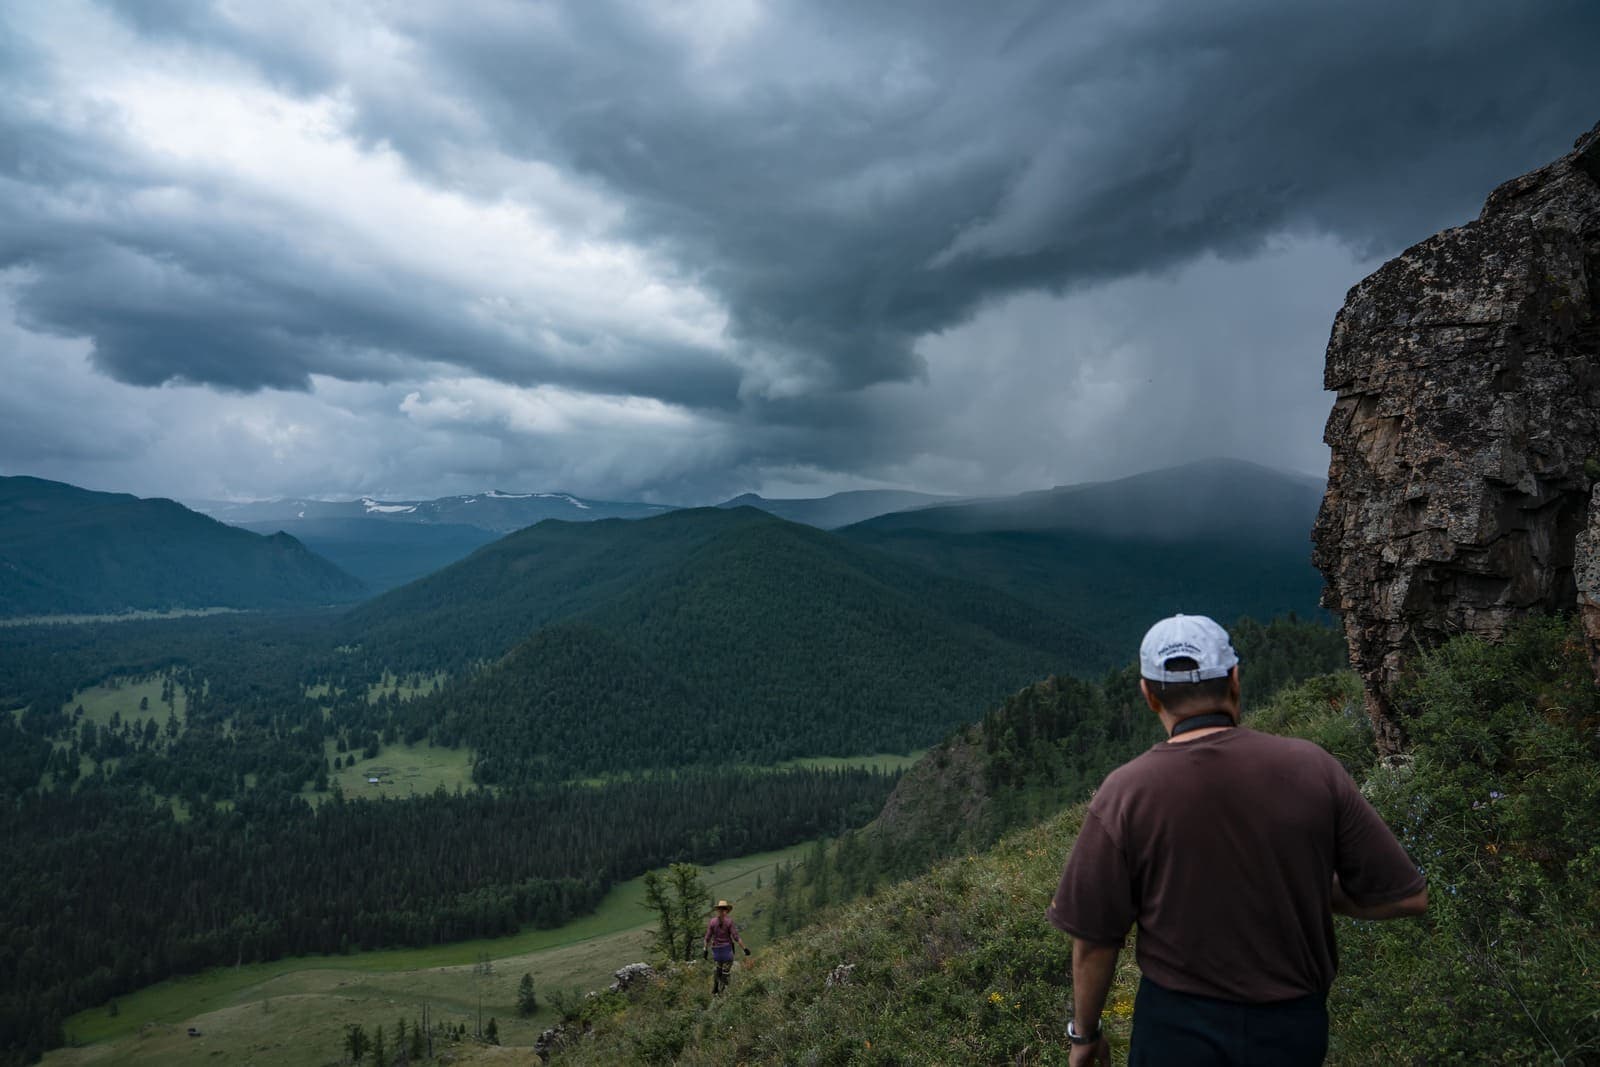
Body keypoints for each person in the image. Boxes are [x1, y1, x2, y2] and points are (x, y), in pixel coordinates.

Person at [1046, 613, 1428, 1066]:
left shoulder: (1127, 791)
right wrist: (1311, 890)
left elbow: (1094, 939)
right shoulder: (1313, 768)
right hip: (1291, 1029)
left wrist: (1085, 1036)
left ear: (1148, 695)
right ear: (1234, 679)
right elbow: (1408, 897)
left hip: (1175, 1031)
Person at [702, 899, 749, 994]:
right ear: (726, 910)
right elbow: (736, 937)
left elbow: (707, 938)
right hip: (726, 951)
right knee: (726, 971)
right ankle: (722, 991)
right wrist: (745, 949)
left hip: (716, 951)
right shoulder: (729, 922)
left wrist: (705, 950)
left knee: (718, 968)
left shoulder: (712, 922)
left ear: (718, 910)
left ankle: (715, 986)